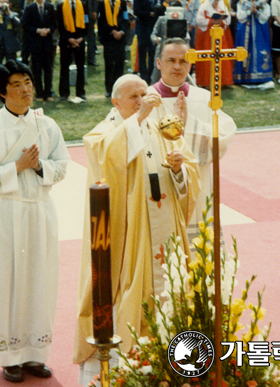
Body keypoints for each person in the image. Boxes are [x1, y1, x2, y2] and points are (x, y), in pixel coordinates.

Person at [73, 75, 201, 386]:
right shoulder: (104, 133)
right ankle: (124, 372)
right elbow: (105, 158)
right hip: (129, 240)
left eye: (145, 94)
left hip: (166, 234)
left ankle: (173, 366)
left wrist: (179, 169)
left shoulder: (163, 128)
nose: (142, 100)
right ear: (115, 102)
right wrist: (140, 117)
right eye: (134, 96)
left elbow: (191, 172)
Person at [0, 60, 71, 383]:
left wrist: (39, 166)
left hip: (40, 210)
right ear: (3, 91)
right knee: (8, 282)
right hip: (6, 214)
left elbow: (62, 165)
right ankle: (10, 357)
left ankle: (35, 354)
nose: (26, 89)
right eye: (17, 84)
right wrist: (17, 166)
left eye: (28, 81)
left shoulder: (48, 126)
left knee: (41, 280)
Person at [149, 38, 236, 240]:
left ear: (191, 64)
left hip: (198, 185)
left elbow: (223, 136)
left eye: (183, 61)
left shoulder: (204, 98)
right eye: (171, 60)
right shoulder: (146, 98)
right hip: (159, 185)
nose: (178, 66)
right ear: (159, 63)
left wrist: (189, 124)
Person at [21, 0, 57, 101]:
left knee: (48, 69)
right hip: (35, 43)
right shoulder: (30, 8)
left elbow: (55, 24)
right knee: (36, 70)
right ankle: (39, 94)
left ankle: (48, 93)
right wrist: (37, 30)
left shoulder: (50, 7)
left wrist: (48, 30)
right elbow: (24, 25)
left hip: (47, 43)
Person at [234, 0, 273, 84]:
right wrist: (249, 12)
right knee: (246, 51)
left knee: (260, 50)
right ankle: (245, 76)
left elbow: (266, 15)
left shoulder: (262, 3)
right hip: (245, 32)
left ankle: (261, 76)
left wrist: (257, 12)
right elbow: (239, 16)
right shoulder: (242, 3)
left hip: (260, 31)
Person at [195, 0, 234, 87]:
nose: (216, 3)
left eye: (218, 1)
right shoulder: (204, 7)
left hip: (219, 35)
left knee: (222, 56)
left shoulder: (222, 7)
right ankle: (206, 81)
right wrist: (211, 21)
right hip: (207, 36)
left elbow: (228, 19)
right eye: (215, 1)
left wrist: (222, 21)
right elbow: (199, 20)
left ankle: (224, 81)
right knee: (207, 58)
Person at [97, 0, 129, 97]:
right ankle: (109, 89)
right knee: (109, 64)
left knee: (120, 64)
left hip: (120, 37)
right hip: (108, 37)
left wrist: (122, 31)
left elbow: (126, 19)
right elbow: (101, 21)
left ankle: (119, 89)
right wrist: (112, 31)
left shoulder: (122, 2)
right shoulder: (101, 3)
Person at [57, 0, 87, 100]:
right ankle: (64, 93)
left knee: (80, 66)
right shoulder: (60, 6)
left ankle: (80, 92)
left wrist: (80, 38)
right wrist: (69, 39)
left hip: (79, 39)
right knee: (64, 67)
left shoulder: (83, 4)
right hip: (66, 40)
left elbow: (87, 22)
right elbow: (60, 25)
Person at [0, 0, 21, 74]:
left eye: (5, 3)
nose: (2, 5)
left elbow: (18, 25)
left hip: (10, 45)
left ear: (10, 5)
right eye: (1, 2)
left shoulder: (14, 15)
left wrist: (8, 12)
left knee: (12, 67)